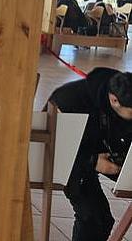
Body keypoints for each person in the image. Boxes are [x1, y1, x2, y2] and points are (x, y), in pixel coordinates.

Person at [49, 68, 132, 240]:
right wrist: (93, 161)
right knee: (95, 219)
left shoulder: (125, 96)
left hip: (113, 153)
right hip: (73, 158)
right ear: (114, 100)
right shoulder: (69, 100)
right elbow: (54, 148)